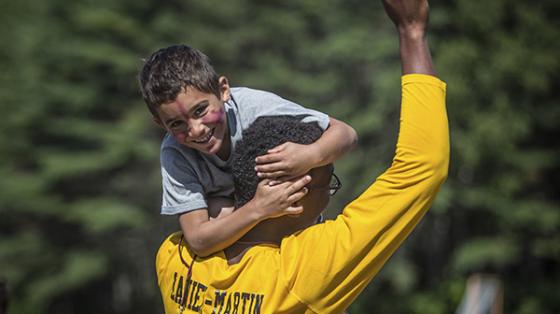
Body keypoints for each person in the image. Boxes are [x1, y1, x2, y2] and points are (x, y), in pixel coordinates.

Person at [156, 0, 449, 313]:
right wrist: (412, 32)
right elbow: (422, 167)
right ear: (294, 195)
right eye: (327, 184)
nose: (327, 201)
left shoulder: (173, 259)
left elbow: (206, 231)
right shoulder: (303, 274)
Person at [139, 42, 357, 258]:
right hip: (241, 237)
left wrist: (310, 155)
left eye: (200, 110)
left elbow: (345, 133)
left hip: (290, 223)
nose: (195, 130)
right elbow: (198, 240)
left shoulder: (255, 107)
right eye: (177, 124)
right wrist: (259, 208)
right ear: (161, 124)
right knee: (218, 208)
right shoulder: (175, 153)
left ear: (223, 90)